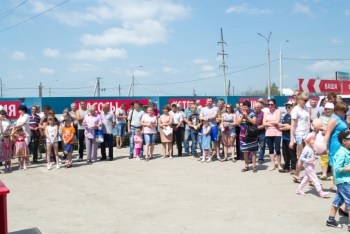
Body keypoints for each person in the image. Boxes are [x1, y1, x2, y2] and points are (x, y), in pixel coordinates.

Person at [326, 129, 350, 229]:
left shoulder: (347, 151)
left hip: (344, 181)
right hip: (344, 181)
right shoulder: (341, 153)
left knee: (338, 201)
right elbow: (338, 169)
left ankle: (330, 220)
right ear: (344, 141)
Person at [324, 101, 349, 192]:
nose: (345, 113)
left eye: (345, 111)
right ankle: (335, 185)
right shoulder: (334, 119)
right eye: (343, 111)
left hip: (342, 143)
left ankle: (341, 183)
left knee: (342, 162)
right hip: (335, 144)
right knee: (336, 164)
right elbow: (327, 133)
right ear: (338, 110)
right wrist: (325, 147)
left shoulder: (340, 118)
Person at [296, 133, 329, 197]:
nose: (314, 141)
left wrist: (321, 151)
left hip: (312, 165)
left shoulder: (312, 148)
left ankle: (299, 189)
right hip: (308, 166)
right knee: (315, 179)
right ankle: (320, 192)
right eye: (313, 139)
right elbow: (301, 157)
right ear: (308, 140)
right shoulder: (305, 149)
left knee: (306, 178)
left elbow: (314, 153)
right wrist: (308, 160)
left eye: (315, 139)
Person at [289, 92, 310, 183]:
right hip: (299, 135)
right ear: (299, 100)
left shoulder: (305, 108)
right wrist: (291, 139)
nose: (306, 102)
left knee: (306, 156)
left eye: (307, 100)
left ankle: (297, 175)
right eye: (305, 100)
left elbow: (308, 121)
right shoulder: (295, 110)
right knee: (304, 156)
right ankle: (309, 178)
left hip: (307, 133)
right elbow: (292, 126)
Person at [263, 99, 285, 172]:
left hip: (277, 132)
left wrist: (268, 122)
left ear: (275, 105)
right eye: (268, 104)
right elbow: (264, 123)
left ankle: (279, 165)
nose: (270, 106)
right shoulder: (266, 112)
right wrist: (272, 123)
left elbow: (277, 122)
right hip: (268, 133)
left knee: (278, 149)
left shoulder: (278, 111)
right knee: (271, 149)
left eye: (271, 104)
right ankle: (273, 165)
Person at [237, 100, 258, 173]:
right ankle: (246, 166)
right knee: (245, 151)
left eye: (246, 107)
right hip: (243, 135)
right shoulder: (240, 114)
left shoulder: (253, 114)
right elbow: (237, 122)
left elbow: (254, 122)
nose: (244, 109)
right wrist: (243, 115)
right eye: (243, 107)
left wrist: (247, 116)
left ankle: (254, 166)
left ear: (249, 107)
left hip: (251, 135)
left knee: (253, 152)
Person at [279, 101, 297, 173]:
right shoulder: (285, 116)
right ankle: (286, 167)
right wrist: (285, 126)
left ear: (293, 107)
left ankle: (294, 168)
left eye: (289, 106)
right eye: (286, 107)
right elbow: (280, 124)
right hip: (284, 137)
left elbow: (291, 127)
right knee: (285, 154)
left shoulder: (294, 115)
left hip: (291, 138)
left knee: (292, 154)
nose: (287, 108)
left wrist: (282, 127)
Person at [318, 102, 334, 180]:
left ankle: (332, 173)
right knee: (324, 155)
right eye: (326, 109)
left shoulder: (335, 118)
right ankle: (324, 173)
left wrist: (327, 131)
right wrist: (323, 129)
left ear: (332, 110)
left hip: (332, 139)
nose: (327, 111)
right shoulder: (321, 117)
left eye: (329, 109)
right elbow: (317, 126)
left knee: (332, 155)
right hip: (323, 138)